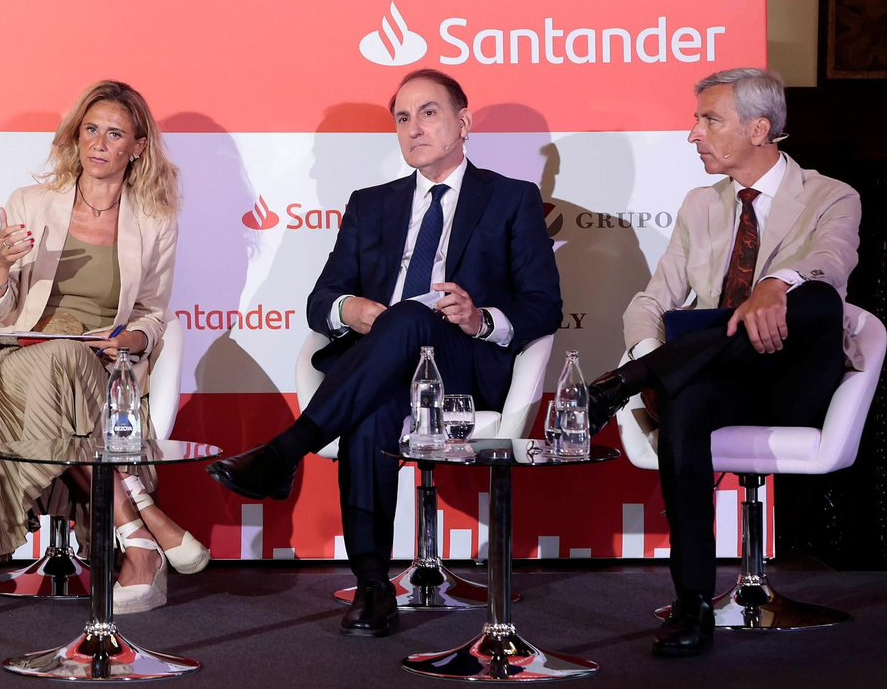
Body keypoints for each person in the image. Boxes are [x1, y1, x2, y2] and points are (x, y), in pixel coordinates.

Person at [207, 68, 561, 637]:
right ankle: (373, 583)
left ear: (463, 123)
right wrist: (351, 310)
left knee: (416, 314)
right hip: (379, 367)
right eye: (402, 118)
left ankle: (286, 451)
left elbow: (544, 305)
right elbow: (321, 300)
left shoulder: (510, 199)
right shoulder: (371, 205)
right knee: (373, 406)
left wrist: (481, 318)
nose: (413, 128)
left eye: (428, 113)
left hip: (461, 363)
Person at [586, 67, 861, 658]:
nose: (694, 135)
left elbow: (831, 265)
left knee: (812, 298)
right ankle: (691, 604)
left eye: (709, 120)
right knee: (686, 399)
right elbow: (652, 299)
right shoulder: (701, 205)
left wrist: (773, 287)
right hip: (721, 377)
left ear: (760, 129)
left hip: (792, 381)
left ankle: (627, 384)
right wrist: (646, 349)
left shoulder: (831, 195)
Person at [0, 80, 203, 612]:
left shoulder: (154, 219)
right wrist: (2, 267)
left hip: (100, 365)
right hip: (19, 360)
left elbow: (152, 312)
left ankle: (139, 540)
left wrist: (130, 339)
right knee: (62, 355)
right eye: (90, 130)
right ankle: (141, 525)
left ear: (137, 146)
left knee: (74, 363)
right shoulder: (29, 203)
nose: (98, 143)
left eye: (114, 133)